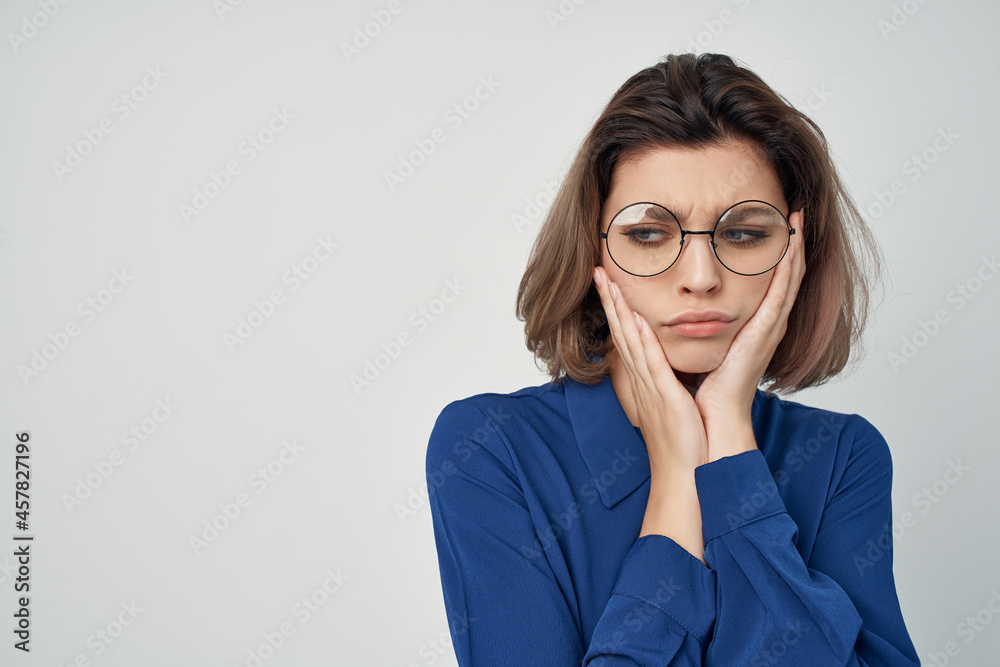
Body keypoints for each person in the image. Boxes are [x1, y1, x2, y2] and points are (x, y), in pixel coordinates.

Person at [425, 53, 920, 665]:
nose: (701, 277)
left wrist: (729, 442)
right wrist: (677, 488)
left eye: (744, 233)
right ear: (593, 252)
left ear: (798, 250)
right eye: (649, 234)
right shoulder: (489, 448)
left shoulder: (843, 456)